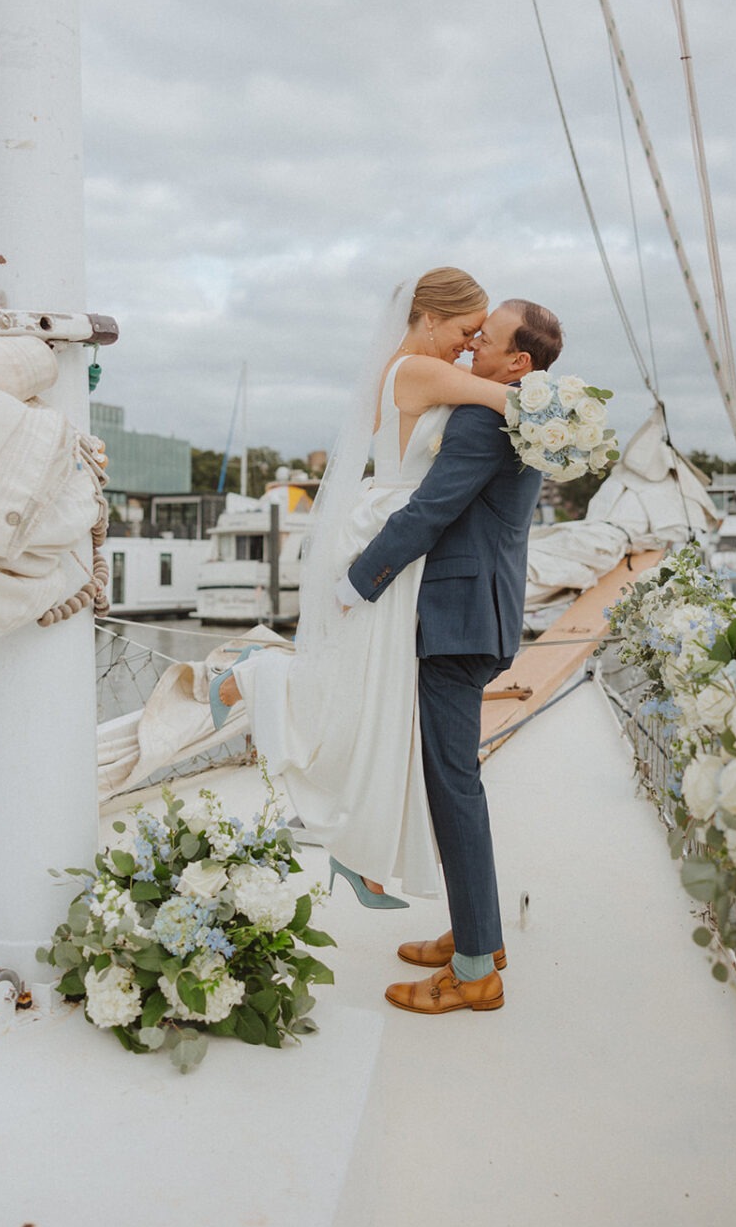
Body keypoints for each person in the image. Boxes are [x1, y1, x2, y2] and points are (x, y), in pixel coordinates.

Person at [213, 269, 515, 904]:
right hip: (390, 535)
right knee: (363, 692)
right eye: (465, 330)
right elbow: (506, 402)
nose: (467, 344)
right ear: (428, 318)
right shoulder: (414, 369)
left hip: (394, 535)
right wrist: (552, 401)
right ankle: (254, 673)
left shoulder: (415, 367)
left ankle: (357, 852)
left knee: (376, 699)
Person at [340, 298, 564, 1015]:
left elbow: (431, 511)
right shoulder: (528, 411)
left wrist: (356, 580)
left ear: (518, 362)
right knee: (457, 784)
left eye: (486, 341)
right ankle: (481, 936)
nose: (471, 351)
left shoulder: (483, 416)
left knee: (453, 788)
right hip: (482, 613)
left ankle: (475, 973)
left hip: (457, 622)